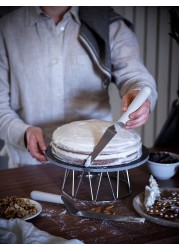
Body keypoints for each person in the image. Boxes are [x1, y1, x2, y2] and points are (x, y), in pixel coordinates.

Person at [0, 6, 158, 168]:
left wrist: (139, 93)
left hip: (98, 162)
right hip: (29, 163)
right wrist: (21, 133)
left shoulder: (109, 24)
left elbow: (135, 76)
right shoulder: (6, 27)